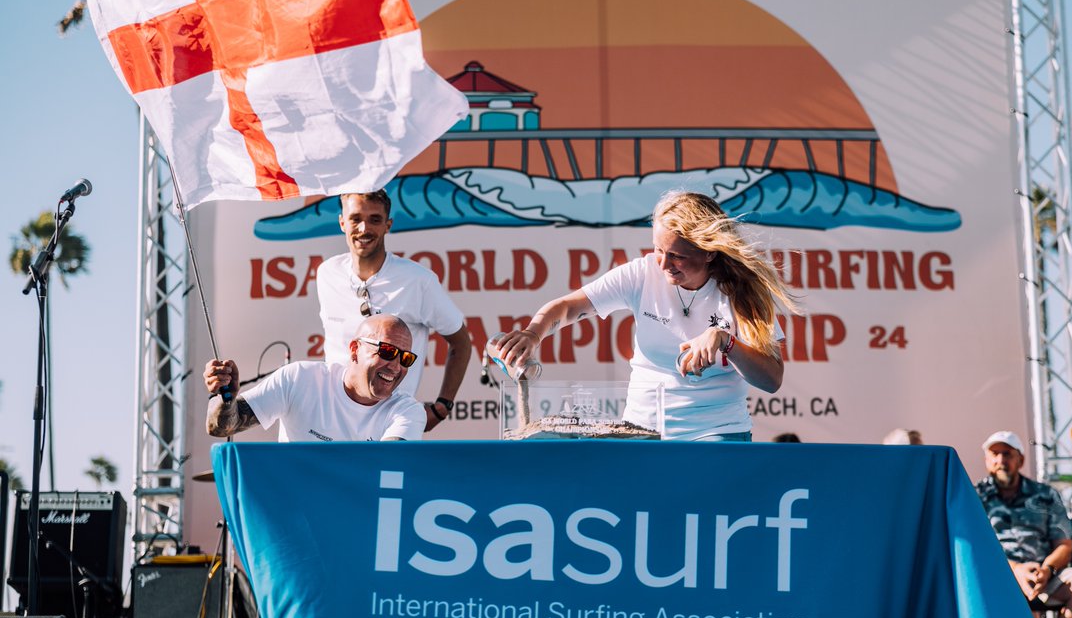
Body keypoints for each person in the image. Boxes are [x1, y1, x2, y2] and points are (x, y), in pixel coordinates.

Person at [493, 191, 801, 441]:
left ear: (709, 253)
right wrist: (533, 333)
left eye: (678, 255)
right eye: (658, 250)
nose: (664, 264)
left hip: (717, 433)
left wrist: (726, 342)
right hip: (642, 432)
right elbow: (567, 307)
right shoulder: (642, 273)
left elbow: (771, 379)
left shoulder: (740, 291)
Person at [316, 190, 472, 432]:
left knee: (390, 472)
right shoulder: (327, 273)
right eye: (356, 218)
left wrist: (442, 406)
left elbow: (461, 342)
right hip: (331, 417)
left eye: (375, 219)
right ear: (342, 222)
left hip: (391, 420)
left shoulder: (418, 280)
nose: (364, 228)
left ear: (388, 225)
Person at [975, 430, 1072, 618]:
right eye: (994, 454)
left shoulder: (1045, 494)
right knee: (1013, 592)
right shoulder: (975, 496)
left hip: (1044, 572)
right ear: (986, 460)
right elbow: (975, 548)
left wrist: (1047, 569)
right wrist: (1016, 570)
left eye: (1006, 454)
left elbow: (1064, 544)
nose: (1000, 460)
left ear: (1020, 459)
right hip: (997, 575)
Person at [205, 314, 426, 442]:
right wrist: (224, 397)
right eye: (387, 351)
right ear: (354, 349)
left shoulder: (407, 411)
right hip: (292, 514)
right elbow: (221, 427)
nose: (396, 366)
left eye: (405, 358)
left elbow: (388, 467)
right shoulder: (300, 379)